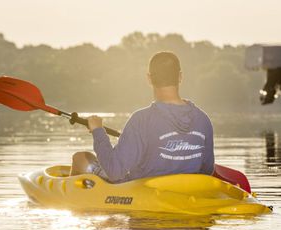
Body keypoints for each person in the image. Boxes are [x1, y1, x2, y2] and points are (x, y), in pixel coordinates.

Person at [70, 51, 214, 182]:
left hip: (143, 195)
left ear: (149, 79)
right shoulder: (203, 119)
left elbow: (114, 171)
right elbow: (207, 171)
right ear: (180, 77)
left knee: (80, 159)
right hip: (187, 194)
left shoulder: (141, 120)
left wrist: (98, 131)